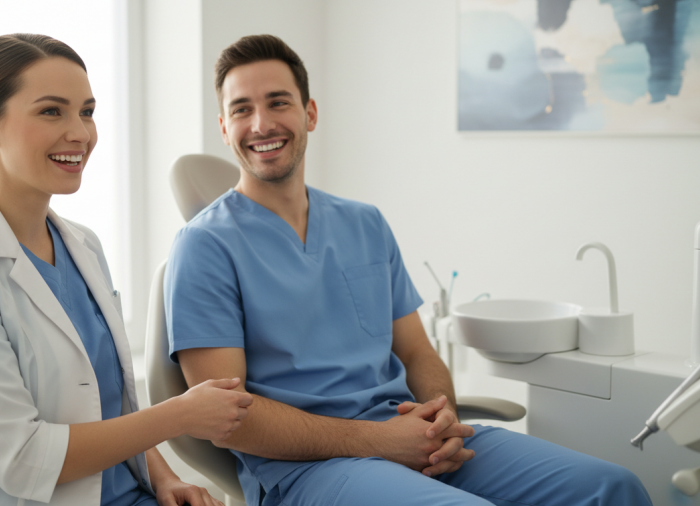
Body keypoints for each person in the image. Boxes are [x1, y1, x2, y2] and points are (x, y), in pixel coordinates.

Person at [164, 34, 653, 506]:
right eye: (241, 109)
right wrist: (380, 440)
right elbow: (232, 419)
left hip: (404, 433)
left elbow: (418, 352)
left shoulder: (364, 223)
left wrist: (443, 420)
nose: (261, 123)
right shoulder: (204, 245)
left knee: (612, 487)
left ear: (310, 114)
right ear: (225, 129)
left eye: (278, 102)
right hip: (307, 470)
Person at [0, 34, 252, 506]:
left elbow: (109, 405)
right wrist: (180, 416)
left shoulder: (83, 246)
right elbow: (23, 458)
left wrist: (164, 477)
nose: (80, 133)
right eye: (51, 111)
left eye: (86, 111)